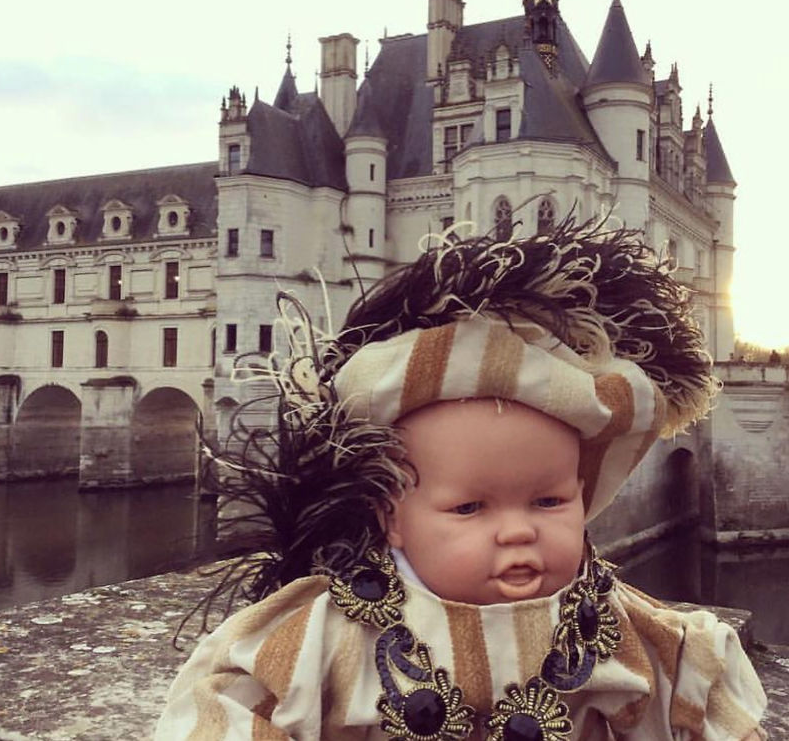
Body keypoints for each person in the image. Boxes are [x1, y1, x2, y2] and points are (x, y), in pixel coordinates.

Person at [156, 220, 767, 740]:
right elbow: (222, 712)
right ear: (391, 516)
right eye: (471, 508)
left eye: (549, 500)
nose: (518, 531)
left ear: (584, 496)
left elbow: (695, 705)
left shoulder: (619, 628)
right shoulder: (328, 633)